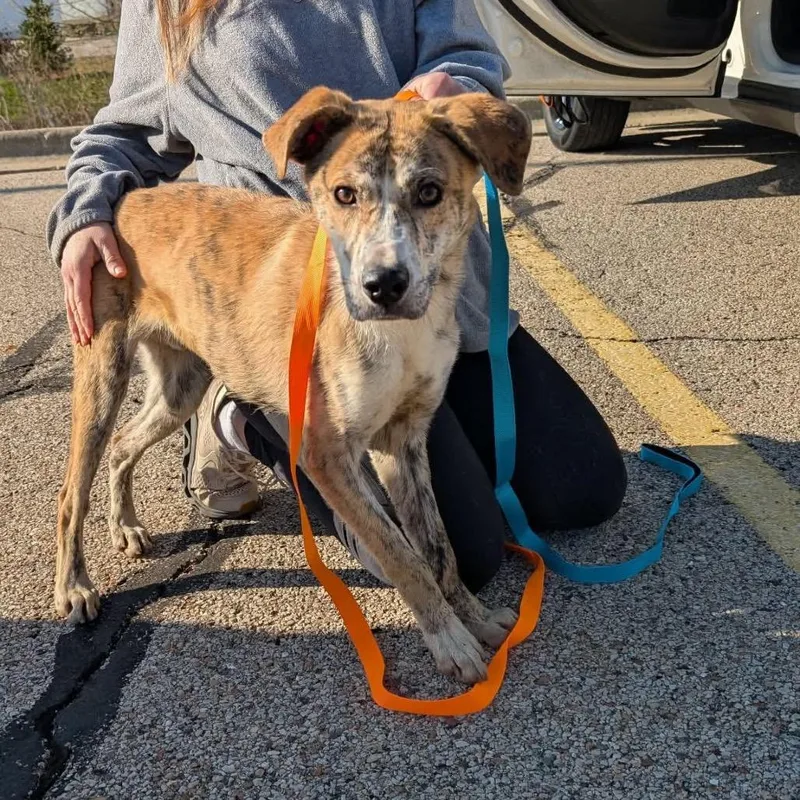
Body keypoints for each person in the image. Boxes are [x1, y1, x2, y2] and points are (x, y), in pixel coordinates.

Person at [48, 0, 626, 593]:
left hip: (428, 281)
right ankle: (242, 409)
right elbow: (127, 130)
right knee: (468, 557)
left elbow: (468, 56)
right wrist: (84, 211)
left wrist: (455, 84)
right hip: (287, 307)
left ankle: (366, 421)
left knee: (584, 489)